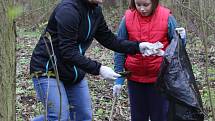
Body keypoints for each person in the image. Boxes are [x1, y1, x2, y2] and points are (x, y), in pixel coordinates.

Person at [30, 0, 150, 120]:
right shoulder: (68, 10)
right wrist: (99, 69)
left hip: (73, 71)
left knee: (84, 117)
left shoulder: (95, 11)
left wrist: (137, 47)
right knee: (58, 117)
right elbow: (68, 51)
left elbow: (109, 39)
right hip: (47, 70)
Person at [113, 0, 186, 121]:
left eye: (146, 5)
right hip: (135, 79)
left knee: (160, 117)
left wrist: (182, 39)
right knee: (138, 117)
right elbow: (119, 48)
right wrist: (118, 79)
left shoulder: (167, 17)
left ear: (154, 2)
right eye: (138, 5)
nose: (142, 9)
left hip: (160, 80)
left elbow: (177, 49)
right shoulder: (127, 18)